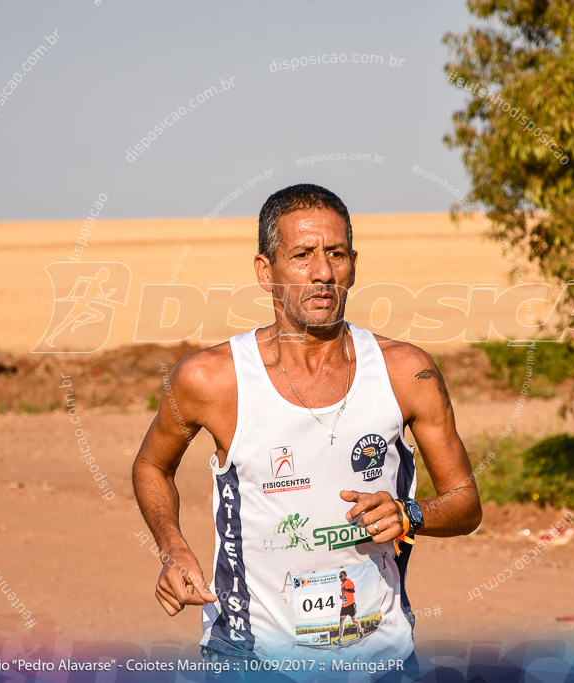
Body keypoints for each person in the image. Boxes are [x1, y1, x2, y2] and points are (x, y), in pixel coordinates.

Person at [132, 183, 482, 674]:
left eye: (336, 254)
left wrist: (410, 514)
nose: (322, 273)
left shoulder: (405, 372)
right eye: (302, 255)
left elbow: (465, 502)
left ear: (354, 264)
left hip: (381, 658)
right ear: (265, 270)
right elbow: (152, 464)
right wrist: (172, 547)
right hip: (249, 656)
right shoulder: (212, 379)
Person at [336, 570, 361, 646]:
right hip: (344, 605)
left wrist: (345, 590)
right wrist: (342, 597)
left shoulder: (349, 581)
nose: (340, 577)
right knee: (341, 621)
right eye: (339, 576)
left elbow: (353, 590)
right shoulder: (342, 584)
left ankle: (360, 630)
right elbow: (344, 594)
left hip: (350, 604)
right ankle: (340, 639)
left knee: (354, 620)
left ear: (345, 575)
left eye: (341, 576)